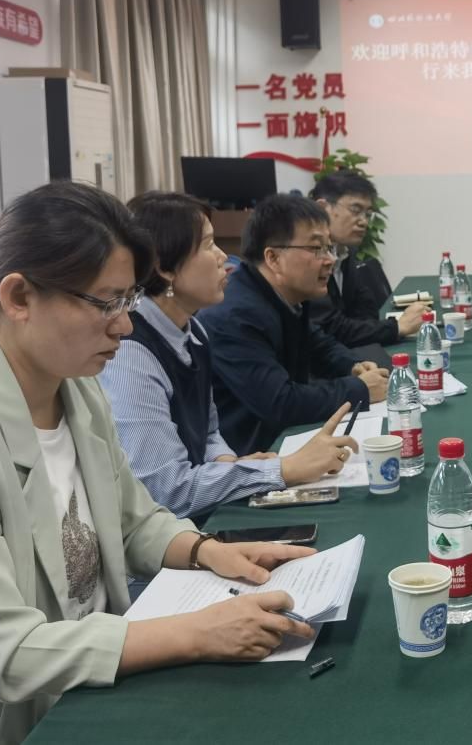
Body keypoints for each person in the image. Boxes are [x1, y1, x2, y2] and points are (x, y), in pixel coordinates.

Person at [0, 183, 318, 745]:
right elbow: (2, 649)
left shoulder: (76, 389)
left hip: (68, 695)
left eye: (129, 301)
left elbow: (133, 519)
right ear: (19, 297)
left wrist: (208, 552)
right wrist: (198, 632)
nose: (125, 325)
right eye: (106, 303)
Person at [100, 192, 358, 522]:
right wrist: (283, 469)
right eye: (208, 245)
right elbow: (166, 492)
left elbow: (209, 433)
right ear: (164, 267)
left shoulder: (193, 330)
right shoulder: (131, 354)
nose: (224, 256)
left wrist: (229, 462)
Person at [197, 193, 388, 455]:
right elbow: (280, 402)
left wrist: (352, 365)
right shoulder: (234, 316)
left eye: (329, 248)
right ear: (273, 258)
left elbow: (317, 344)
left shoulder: (283, 293)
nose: (330, 259)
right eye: (316, 248)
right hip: (249, 455)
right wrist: (360, 389)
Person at [309, 171, 427, 358]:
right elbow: (330, 328)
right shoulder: (307, 258)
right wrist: (398, 327)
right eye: (355, 210)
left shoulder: (345, 253)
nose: (364, 221)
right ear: (323, 209)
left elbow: (366, 312)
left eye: (368, 214)